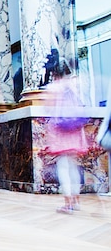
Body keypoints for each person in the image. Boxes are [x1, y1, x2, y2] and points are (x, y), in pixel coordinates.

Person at [44, 59, 87, 214]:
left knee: (63, 165)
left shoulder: (54, 87)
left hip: (61, 130)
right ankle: (76, 199)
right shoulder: (74, 85)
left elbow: (48, 109)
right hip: (75, 129)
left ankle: (67, 202)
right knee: (73, 165)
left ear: (54, 73)